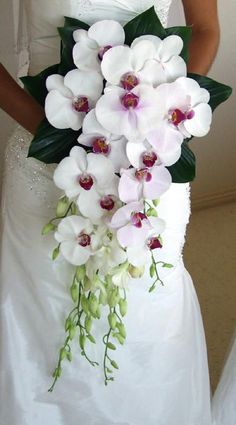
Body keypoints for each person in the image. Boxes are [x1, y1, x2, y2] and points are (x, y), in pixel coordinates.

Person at [0, 1, 220, 424]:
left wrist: (162, 119)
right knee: (42, 311)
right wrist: (51, 132)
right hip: (45, 152)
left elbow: (206, 28)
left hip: (145, 156)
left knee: (150, 306)